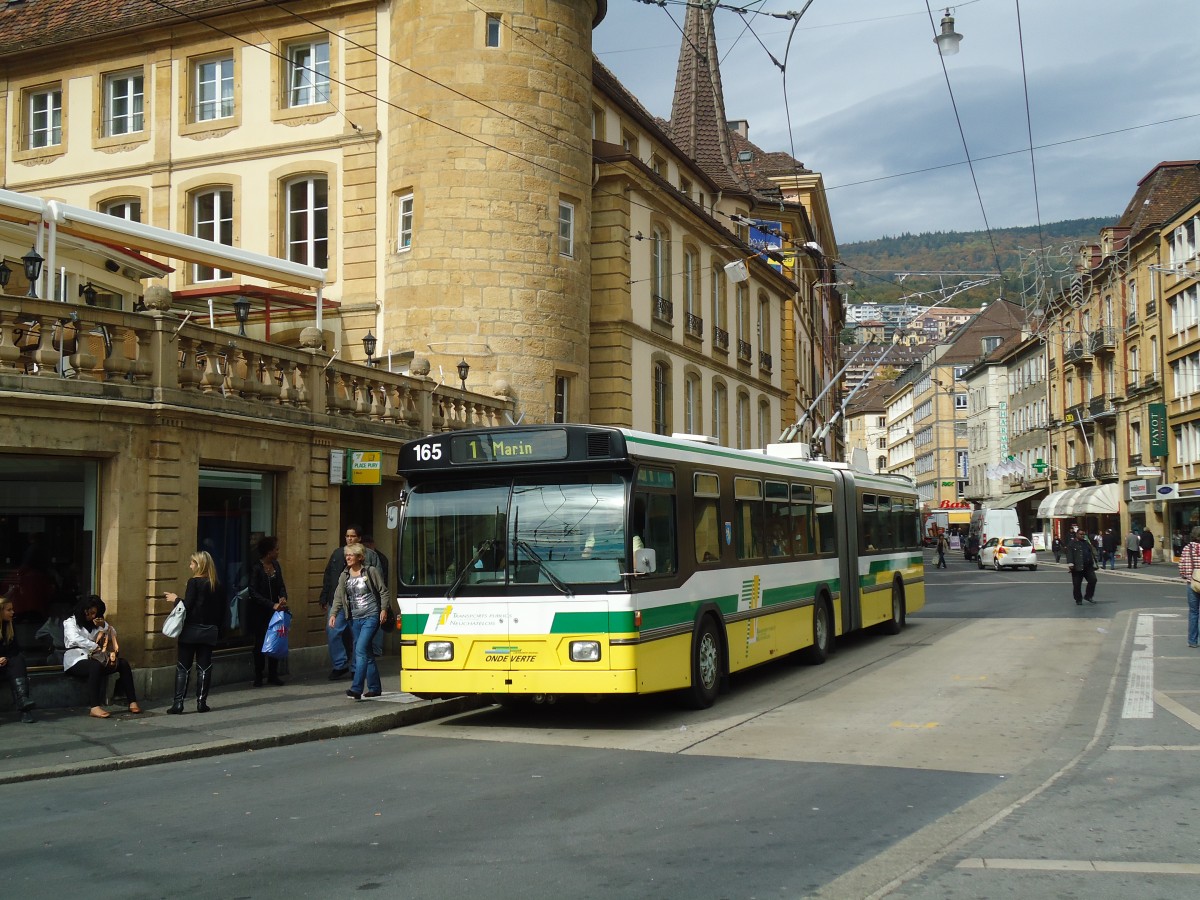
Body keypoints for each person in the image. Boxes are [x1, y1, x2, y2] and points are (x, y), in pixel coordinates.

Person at [163, 551, 225, 714]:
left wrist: (175, 599)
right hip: (210, 630)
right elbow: (222, 610)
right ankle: (201, 703)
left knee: (183, 666)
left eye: (192, 563)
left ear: (199, 565)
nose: (190, 566)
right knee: (204, 666)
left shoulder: (194, 582)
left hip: (191, 630)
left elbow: (188, 606)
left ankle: (178, 703)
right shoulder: (216, 584)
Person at [329, 542, 392, 700]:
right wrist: (333, 614)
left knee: (360, 651)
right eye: (347, 555)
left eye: (351, 555)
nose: (348, 557)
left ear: (360, 557)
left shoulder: (370, 571)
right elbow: (339, 596)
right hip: (354, 619)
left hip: (371, 616)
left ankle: (356, 688)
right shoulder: (345, 575)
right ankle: (375, 688)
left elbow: (383, 591)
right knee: (367, 654)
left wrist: (383, 609)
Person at [319, 525, 380, 681]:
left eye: (352, 536)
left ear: (359, 538)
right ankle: (340, 665)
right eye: (347, 536)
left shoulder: (370, 556)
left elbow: (379, 580)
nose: (349, 539)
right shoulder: (337, 554)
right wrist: (324, 596)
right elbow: (329, 576)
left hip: (360, 604)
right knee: (332, 631)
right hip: (338, 601)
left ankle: (356, 668)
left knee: (356, 637)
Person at [63, 596, 141, 718]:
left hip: (97, 658)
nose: (93, 616)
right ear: (84, 610)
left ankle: (132, 701)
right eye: (91, 613)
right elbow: (74, 638)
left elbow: (112, 635)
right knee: (95, 666)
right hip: (76, 659)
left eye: (96, 613)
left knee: (123, 663)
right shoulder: (70, 622)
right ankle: (94, 707)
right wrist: (93, 645)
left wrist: (104, 625)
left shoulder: (96, 624)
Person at [246, 536, 288, 687]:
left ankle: (273, 674)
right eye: (276, 549)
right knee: (260, 644)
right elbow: (253, 591)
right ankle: (258, 675)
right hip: (260, 611)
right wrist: (271, 604)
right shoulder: (256, 567)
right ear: (269, 552)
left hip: (275, 612)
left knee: (275, 641)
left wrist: (282, 597)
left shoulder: (276, 565)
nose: (278, 552)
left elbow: (281, 585)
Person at [0, 595, 36, 724]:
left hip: (5, 664)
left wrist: (6, 659)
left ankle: (23, 704)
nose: (12, 612)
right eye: (8, 610)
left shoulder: (9, 626)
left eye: (12, 609)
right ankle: (23, 705)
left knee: (18, 659)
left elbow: (15, 649)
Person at [1177, 527, 1200, 649]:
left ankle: (1192, 640)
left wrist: (1185, 576)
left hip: (1192, 583)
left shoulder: (1187, 548)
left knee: (1193, 612)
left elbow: (1182, 565)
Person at [1065, 525, 1097, 606]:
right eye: (1081, 534)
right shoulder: (1072, 543)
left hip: (1088, 566)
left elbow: (1091, 552)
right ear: (1077, 534)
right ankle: (1078, 599)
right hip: (1077, 567)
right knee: (1077, 584)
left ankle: (1088, 596)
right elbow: (1069, 554)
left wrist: (1094, 561)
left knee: (1093, 580)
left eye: (1083, 534)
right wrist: (1070, 563)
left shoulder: (1086, 542)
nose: (1082, 536)